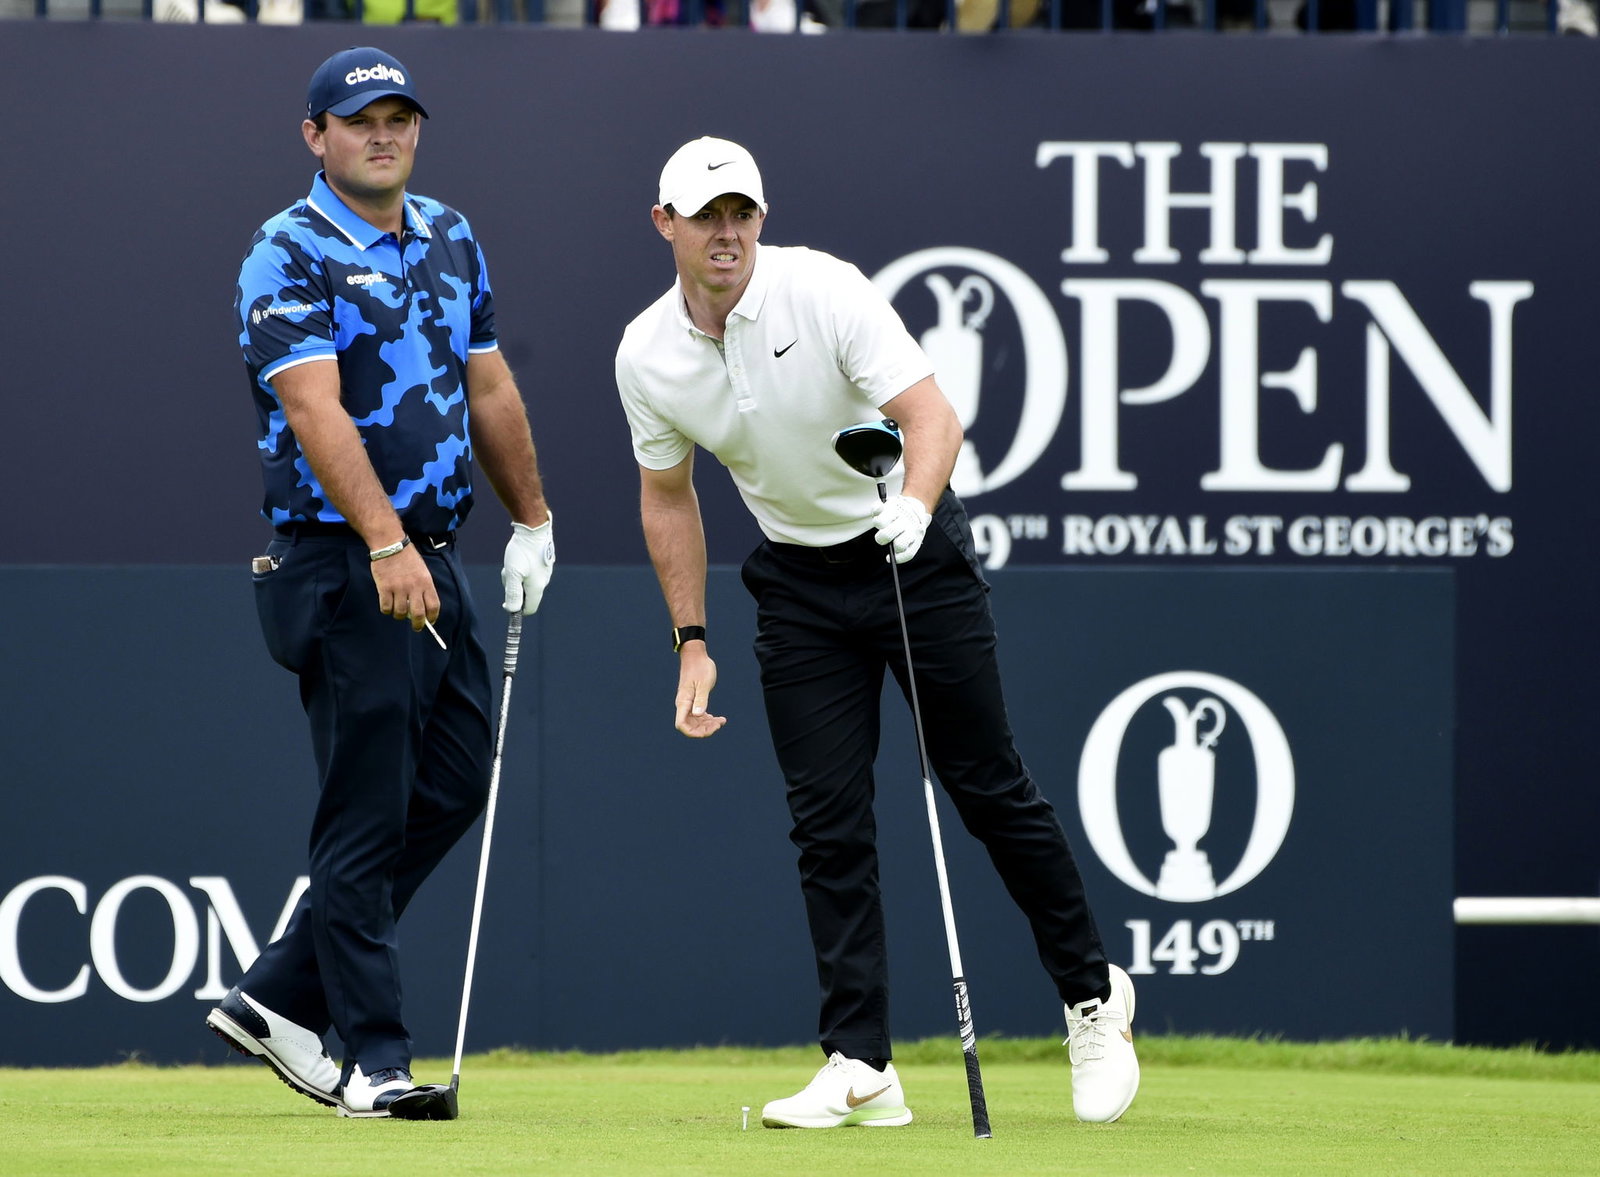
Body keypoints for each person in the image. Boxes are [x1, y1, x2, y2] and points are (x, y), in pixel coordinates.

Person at [614, 136, 1139, 1129]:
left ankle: (1090, 998)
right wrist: (691, 635)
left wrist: (917, 500)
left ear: (759, 220)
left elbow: (930, 414)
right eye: (706, 216)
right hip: (797, 585)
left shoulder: (825, 292)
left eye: (742, 214)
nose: (727, 234)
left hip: (909, 557)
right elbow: (667, 493)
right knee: (828, 820)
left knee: (986, 783)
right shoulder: (644, 351)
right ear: (664, 224)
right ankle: (861, 1062)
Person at [208, 46, 554, 1120]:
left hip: (434, 558)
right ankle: (374, 1057)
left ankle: (274, 992)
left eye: (400, 118)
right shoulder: (286, 250)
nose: (384, 135)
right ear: (316, 136)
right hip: (343, 561)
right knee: (364, 812)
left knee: (451, 783)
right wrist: (384, 543)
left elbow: (488, 385)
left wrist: (533, 518)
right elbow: (316, 412)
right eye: (360, 120)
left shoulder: (450, 234)